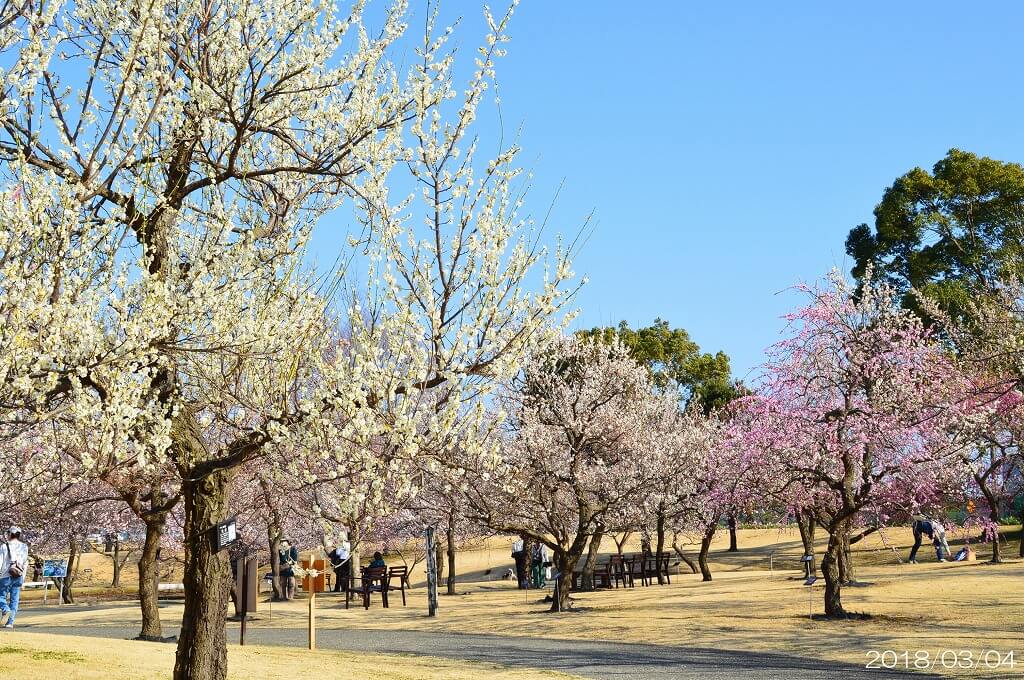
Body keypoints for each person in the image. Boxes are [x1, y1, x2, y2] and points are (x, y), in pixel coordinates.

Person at [0, 526, 29, 629]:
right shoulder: (24, 547)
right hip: (18, 576)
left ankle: (5, 609)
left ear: (10, 534)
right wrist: (23, 577)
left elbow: (0, 562)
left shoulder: (4, 546)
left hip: (5, 576)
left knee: (1, 596)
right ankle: (10, 623)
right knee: (14, 600)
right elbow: (25, 563)